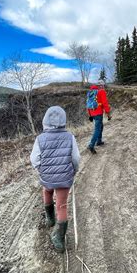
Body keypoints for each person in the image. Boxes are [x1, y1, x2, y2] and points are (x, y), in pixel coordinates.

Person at [30, 106, 80, 253]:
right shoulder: (70, 137)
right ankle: (59, 237)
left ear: (45, 121)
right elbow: (76, 158)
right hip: (65, 177)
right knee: (62, 206)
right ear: (64, 121)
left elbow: (34, 159)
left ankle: (50, 218)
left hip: (47, 177)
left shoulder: (40, 139)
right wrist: (73, 171)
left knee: (46, 191)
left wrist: (41, 170)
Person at [86, 79, 111, 154]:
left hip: (92, 113)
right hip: (98, 113)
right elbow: (105, 103)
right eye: (103, 85)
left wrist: (90, 115)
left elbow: (88, 104)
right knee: (97, 129)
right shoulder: (101, 91)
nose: (103, 87)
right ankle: (91, 145)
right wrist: (108, 114)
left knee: (101, 126)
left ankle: (99, 141)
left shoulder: (91, 92)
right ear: (101, 85)